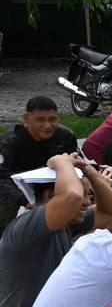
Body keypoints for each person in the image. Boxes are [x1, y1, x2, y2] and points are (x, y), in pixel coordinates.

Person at [1, 156, 112, 307]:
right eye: (84, 197)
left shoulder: (65, 222)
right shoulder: (27, 227)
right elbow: (71, 196)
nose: (87, 202)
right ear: (50, 196)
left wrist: (89, 171)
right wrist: (61, 162)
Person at [0, 96, 81, 224]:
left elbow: (79, 163)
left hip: (55, 184)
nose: (47, 125)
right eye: (40, 120)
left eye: (52, 119)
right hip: (17, 186)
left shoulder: (65, 136)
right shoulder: (10, 142)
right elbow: (1, 177)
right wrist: (25, 200)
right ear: (26, 119)